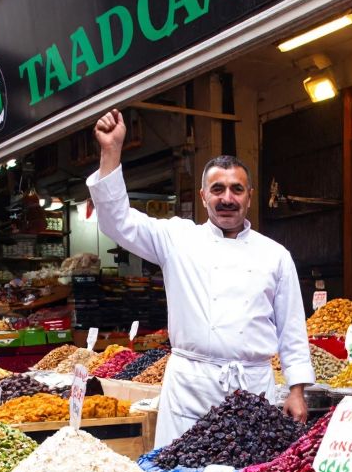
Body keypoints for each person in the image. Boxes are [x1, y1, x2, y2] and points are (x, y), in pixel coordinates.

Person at [87, 108, 313, 446]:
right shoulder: (177, 238)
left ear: (249, 196)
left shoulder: (275, 255)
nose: (227, 198)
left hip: (252, 389)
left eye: (236, 190)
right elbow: (117, 221)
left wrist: (297, 390)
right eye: (217, 189)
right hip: (189, 387)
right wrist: (111, 151)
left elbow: (292, 328)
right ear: (203, 195)